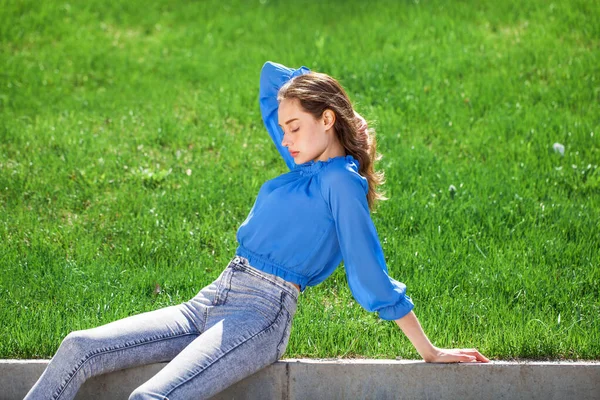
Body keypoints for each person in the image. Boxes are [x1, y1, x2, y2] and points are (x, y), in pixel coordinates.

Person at [25, 61, 489, 400]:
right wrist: (321, 98)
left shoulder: (341, 184)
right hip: (212, 297)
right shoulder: (306, 163)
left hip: (259, 316)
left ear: (327, 120)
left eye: (294, 127)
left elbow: (369, 276)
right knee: (79, 347)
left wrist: (428, 350)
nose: (284, 139)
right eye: (284, 128)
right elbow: (271, 77)